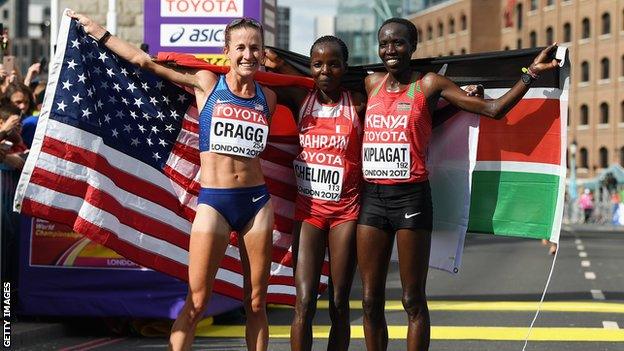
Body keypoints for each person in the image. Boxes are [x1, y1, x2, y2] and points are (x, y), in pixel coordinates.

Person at [69, 11, 277, 351]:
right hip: (216, 203)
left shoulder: (268, 98)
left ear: (263, 52)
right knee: (196, 301)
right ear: (227, 51)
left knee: (256, 302)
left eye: (255, 48)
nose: (248, 55)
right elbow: (144, 62)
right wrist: (99, 33)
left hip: (256, 202)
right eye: (240, 47)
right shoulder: (208, 83)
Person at [356, 18, 559, 351]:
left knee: (411, 299)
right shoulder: (371, 84)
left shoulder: (430, 84)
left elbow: (493, 110)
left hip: (411, 200)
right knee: (368, 300)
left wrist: (531, 73)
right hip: (373, 200)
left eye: (398, 43)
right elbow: (423, 121)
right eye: (384, 43)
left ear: (414, 47)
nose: (390, 50)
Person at [265, 36, 365, 351]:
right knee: (304, 302)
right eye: (318, 64)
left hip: (345, 213)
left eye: (333, 64)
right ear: (310, 68)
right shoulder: (301, 98)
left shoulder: (359, 103)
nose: (325, 71)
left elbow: (405, 105)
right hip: (308, 213)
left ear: (344, 68)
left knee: (338, 301)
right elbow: (251, 84)